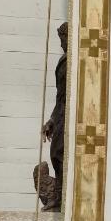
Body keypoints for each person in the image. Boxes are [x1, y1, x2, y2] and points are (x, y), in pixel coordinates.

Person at [41, 22, 68, 211]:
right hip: (61, 115)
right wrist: (52, 119)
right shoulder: (64, 61)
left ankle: (62, 196)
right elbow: (60, 96)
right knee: (56, 154)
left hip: (70, 115)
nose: (61, 44)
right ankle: (60, 196)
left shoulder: (76, 61)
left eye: (63, 39)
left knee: (59, 153)